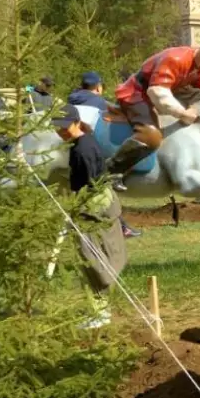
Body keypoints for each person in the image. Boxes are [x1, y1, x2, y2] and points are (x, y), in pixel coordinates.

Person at [110, 35, 200, 175]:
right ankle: (111, 170)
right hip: (136, 94)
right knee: (151, 136)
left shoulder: (199, 69)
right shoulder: (176, 59)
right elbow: (157, 91)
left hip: (153, 96)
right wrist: (182, 113)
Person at [52, 104, 127, 329]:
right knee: (100, 252)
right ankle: (101, 306)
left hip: (93, 206)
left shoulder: (81, 150)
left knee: (90, 255)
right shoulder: (84, 141)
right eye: (58, 128)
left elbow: (85, 184)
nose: (61, 132)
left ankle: (100, 313)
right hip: (102, 201)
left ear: (76, 123)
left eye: (65, 127)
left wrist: (74, 207)